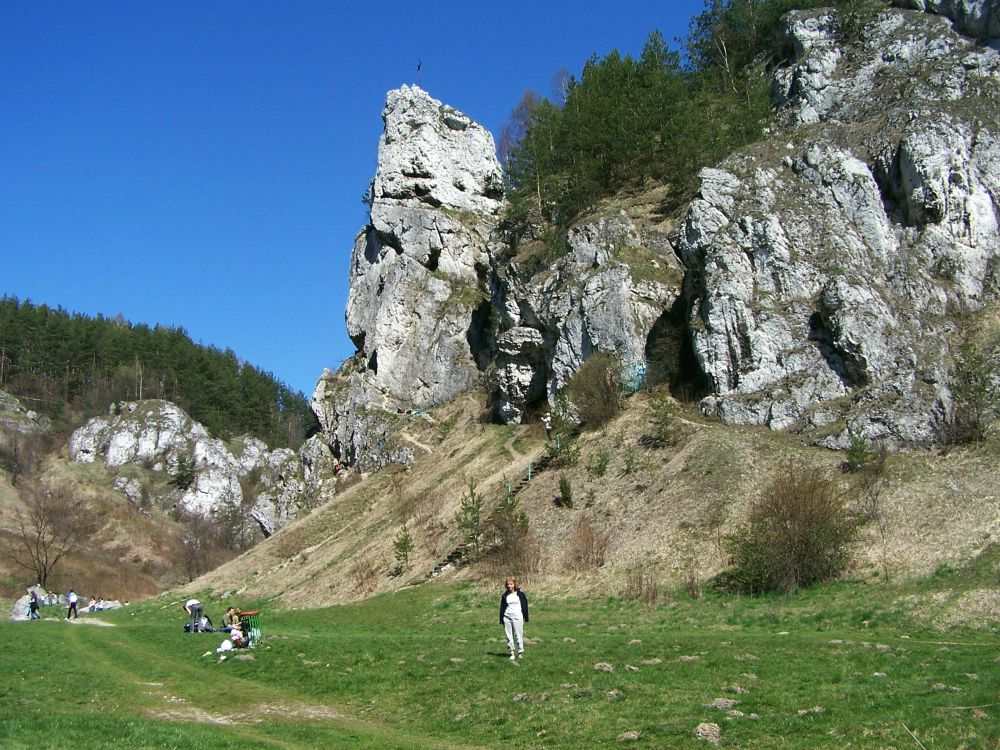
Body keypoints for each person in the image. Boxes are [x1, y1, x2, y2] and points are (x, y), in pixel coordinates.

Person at [499, 577, 529, 661]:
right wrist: (501, 619)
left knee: (518, 635)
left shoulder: (520, 594)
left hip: (517, 617)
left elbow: (525, 606)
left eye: (511, 584)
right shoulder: (505, 595)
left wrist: (526, 617)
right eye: (508, 584)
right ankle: (511, 652)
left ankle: (520, 652)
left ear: (514, 584)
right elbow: (502, 608)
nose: (509, 586)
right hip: (507, 617)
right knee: (509, 636)